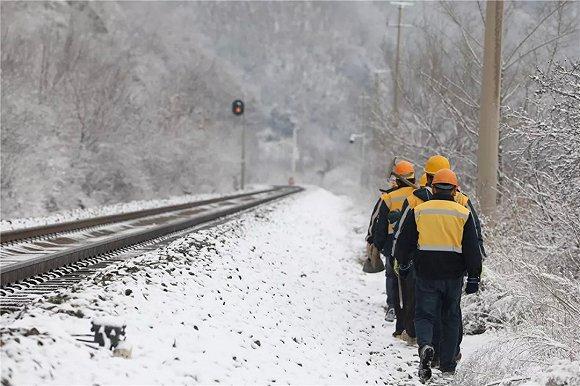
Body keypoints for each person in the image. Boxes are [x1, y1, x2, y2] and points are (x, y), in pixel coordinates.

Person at [393, 155, 486, 362]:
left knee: (425, 314)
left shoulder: (419, 208)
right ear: (454, 189)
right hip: (453, 275)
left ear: (431, 186)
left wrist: (404, 263)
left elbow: (404, 241)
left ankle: (426, 345)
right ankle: (448, 362)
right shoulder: (463, 210)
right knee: (451, 317)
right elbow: (472, 245)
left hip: (425, 271)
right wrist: (474, 276)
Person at [372, 160, 416, 330]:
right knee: (410, 284)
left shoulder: (388, 197)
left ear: (396, 179)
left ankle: (393, 309)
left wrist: (377, 246)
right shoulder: (418, 194)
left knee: (392, 277)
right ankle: (409, 324)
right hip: (413, 245)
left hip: (392, 244)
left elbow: (380, 226)